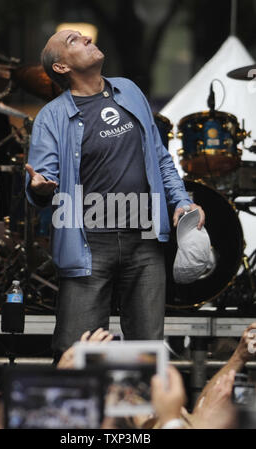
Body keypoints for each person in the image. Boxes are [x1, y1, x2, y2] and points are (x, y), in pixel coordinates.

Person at [25, 29, 205, 359]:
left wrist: (181, 201)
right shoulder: (52, 117)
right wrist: (39, 189)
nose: (85, 39)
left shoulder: (130, 90)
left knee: (146, 352)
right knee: (78, 353)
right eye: (73, 41)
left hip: (145, 241)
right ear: (62, 67)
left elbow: (160, 156)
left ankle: (144, 411)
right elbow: (41, 179)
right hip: (88, 245)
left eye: (83, 36)